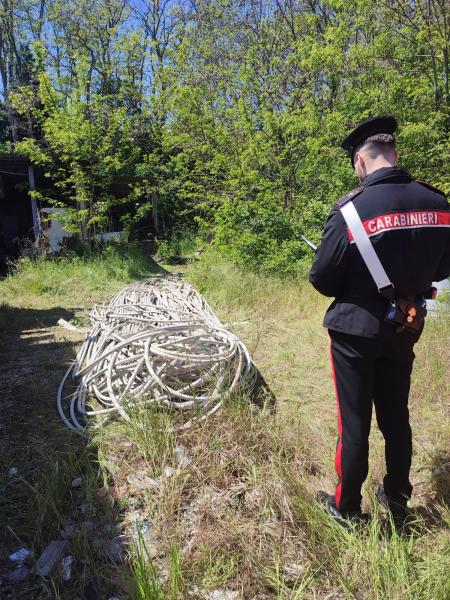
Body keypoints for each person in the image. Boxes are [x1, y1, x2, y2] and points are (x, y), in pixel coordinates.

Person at [309, 115, 450, 524]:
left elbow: (321, 278)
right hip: (404, 328)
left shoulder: (351, 212)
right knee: (396, 418)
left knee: (355, 425)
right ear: (394, 153)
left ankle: (347, 508)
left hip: (354, 333)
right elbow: (442, 269)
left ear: (360, 161)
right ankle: (398, 500)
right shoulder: (438, 204)